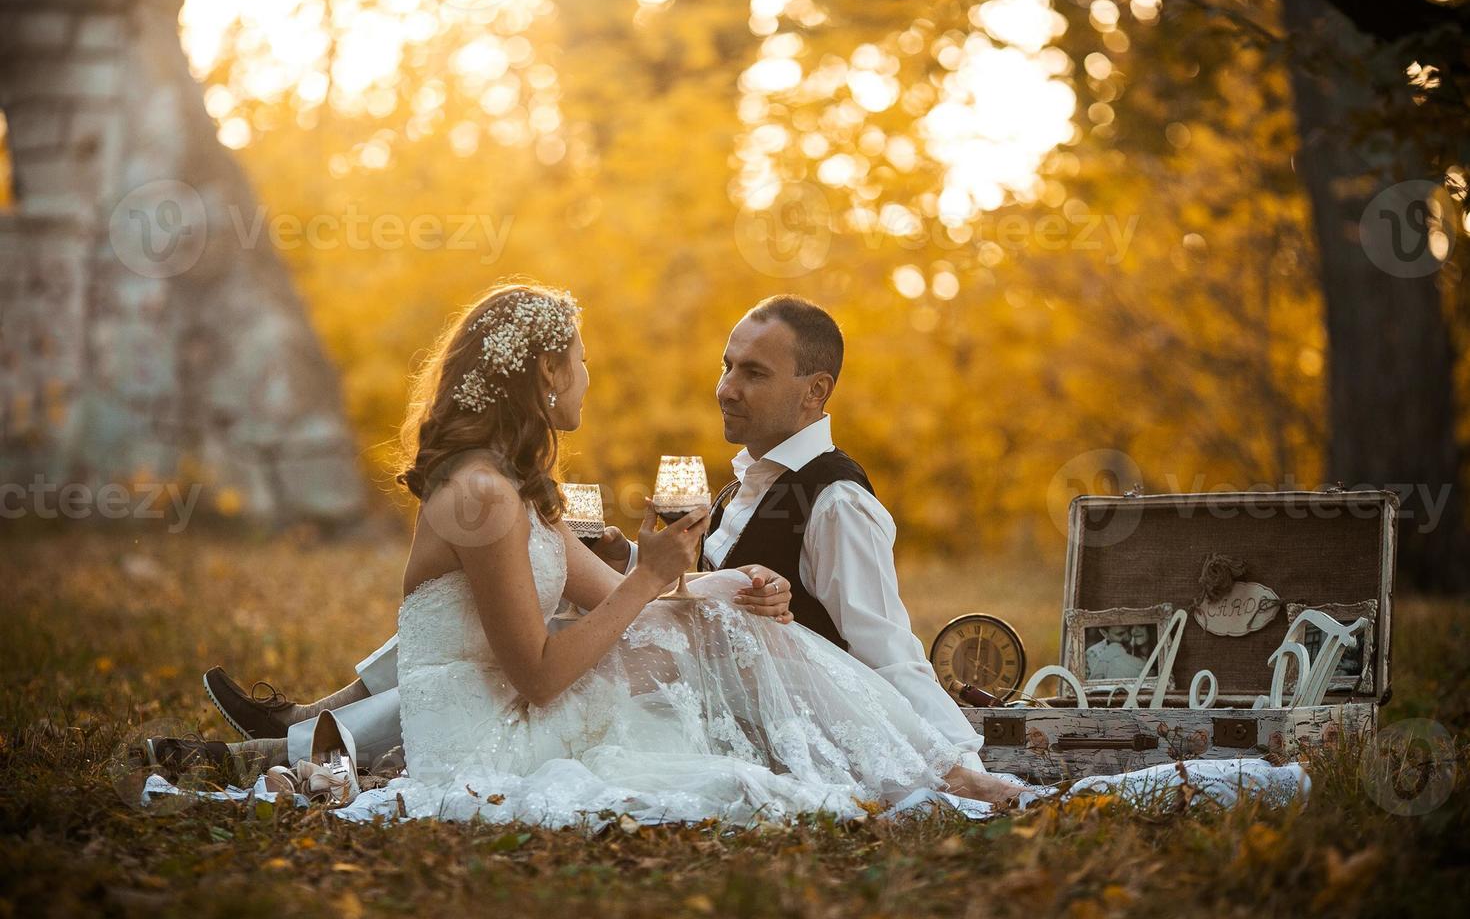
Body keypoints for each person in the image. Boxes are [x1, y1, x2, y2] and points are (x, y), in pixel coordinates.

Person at [148, 280, 1023, 822]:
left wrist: (723, 585)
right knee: (694, 650)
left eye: (749, 372)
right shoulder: (484, 497)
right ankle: (938, 771)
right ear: (543, 380)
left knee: (716, 627)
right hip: (493, 737)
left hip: (523, 705)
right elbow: (548, 663)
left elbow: (651, 595)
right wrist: (653, 580)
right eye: (581, 361)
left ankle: (939, 766)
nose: (592, 377)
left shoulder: (522, 493)